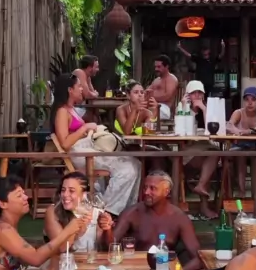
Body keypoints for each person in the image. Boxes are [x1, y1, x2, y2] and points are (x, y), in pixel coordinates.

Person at [51, 73, 141, 216]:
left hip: (87, 149)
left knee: (135, 163)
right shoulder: (62, 111)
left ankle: (129, 209)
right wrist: (85, 128)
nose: (82, 89)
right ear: (70, 90)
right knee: (127, 168)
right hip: (79, 153)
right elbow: (65, 143)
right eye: (79, 86)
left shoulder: (71, 109)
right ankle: (107, 211)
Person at [113, 171, 204, 270]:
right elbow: (111, 244)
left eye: (153, 188)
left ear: (166, 192)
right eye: (145, 188)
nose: (146, 192)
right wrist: (106, 230)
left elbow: (199, 258)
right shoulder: (132, 213)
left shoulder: (179, 217)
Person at [181, 80, 219, 219]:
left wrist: (203, 109)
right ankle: (203, 202)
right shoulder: (182, 108)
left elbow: (213, 130)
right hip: (188, 154)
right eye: (193, 93)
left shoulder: (208, 109)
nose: (197, 95)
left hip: (205, 151)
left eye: (199, 93)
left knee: (210, 159)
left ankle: (201, 191)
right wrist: (185, 108)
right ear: (188, 95)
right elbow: (183, 132)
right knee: (211, 158)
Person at [227, 86, 256, 196]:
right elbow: (229, 125)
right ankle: (241, 193)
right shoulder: (239, 112)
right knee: (241, 155)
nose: (250, 103)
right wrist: (238, 131)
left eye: (253, 99)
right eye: (247, 99)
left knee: (255, 156)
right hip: (239, 147)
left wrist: (248, 131)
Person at [146, 55, 178, 120]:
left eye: (159, 67)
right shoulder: (156, 80)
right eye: (155, 67)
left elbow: (167, 95)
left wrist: (150, 97)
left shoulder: (171, 79)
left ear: (167, 66)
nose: (156, 69)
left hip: (163, 108)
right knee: (133, 108)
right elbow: (146, 92)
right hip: (152, 107)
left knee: (143, 112)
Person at [72, 55, 99, 120]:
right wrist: (95, 94)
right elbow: (88, 95)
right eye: (96, 67)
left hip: (79, 106)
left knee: (95, 114)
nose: (98, 69)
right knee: (92, 117)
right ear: (89, 68)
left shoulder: (88, 77)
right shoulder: (79, 72)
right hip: (70, 107)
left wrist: (94, 94)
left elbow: (92, 94)